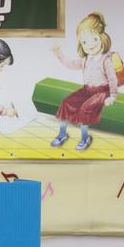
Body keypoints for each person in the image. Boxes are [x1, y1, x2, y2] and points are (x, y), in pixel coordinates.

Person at [50, 12, 117, 152]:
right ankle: (62, 134)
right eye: (84, 42)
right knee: (66, 102)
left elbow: (112, 78)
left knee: (85, 109)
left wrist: (112, 95)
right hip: (86, 90)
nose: (90, 45)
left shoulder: (105, 60)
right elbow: (72, 64)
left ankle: (85, 137)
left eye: (94, 39)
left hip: (101, 92)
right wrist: (60, 55)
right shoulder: (86, 59)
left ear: (101, 38)